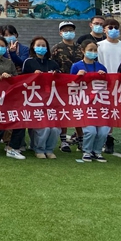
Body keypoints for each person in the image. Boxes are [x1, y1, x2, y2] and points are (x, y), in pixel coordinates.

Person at [97, 18, 121, 156]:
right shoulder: (99, 46)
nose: (113, 30)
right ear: (104, 29)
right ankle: (108, 140)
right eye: (110, 27)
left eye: (116, 27)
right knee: (109, 113)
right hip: (106, 84)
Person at [22, 36, 61, 159]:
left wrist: (56, 75)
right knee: (43, 127)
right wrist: (33, 76)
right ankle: (38, 148)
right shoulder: (28, 62)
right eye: (38, 45)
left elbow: (61, 80)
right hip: (34, 100)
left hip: (51, 101)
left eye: (43, 45)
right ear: (33, 47)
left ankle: (49, 149)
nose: (41, 48)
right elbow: (22, 80)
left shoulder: (53, 63)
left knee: (54, 128)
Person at [70, 40, 109, 162]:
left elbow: (108, 86)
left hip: (99, 103)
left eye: (95, 50)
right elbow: (70, 85)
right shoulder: (76, 66)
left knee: (103, 131)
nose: (93, 52)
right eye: (90, 50)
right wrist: (77, 76)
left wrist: (104, 77)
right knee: (90, 131)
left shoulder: (101, 67)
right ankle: (87, 151)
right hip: (84, 104)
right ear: (83, 51)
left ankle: (97, 151)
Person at [51, 20, 85, 152]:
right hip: (62, 85)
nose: (68, 32)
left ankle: (81, 139)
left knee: (78, 112)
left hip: (79, 85)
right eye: (65, 30)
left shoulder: (80, 48)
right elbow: (53, 65)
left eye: (70, 30)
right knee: (63, 112)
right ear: (60, 33)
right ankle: (63, 140)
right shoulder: (56, 48)